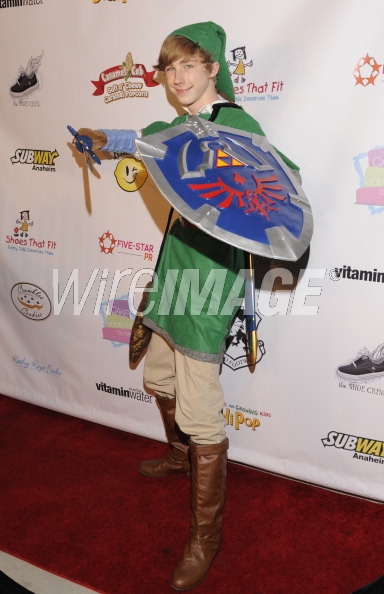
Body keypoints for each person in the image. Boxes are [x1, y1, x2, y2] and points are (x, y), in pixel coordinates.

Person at [76, 21, 299, 591]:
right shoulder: (178, 124)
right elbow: (146, 138)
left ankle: (206, 534)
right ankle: (179, 456)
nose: (177, 77)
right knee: (160, 378)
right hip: (173, 269)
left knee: (200, 407)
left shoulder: (239, 124)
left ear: (213, 69)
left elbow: (278, 183)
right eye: (169, 67)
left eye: (188, 66)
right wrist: (102, 138)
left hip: (210, 281)